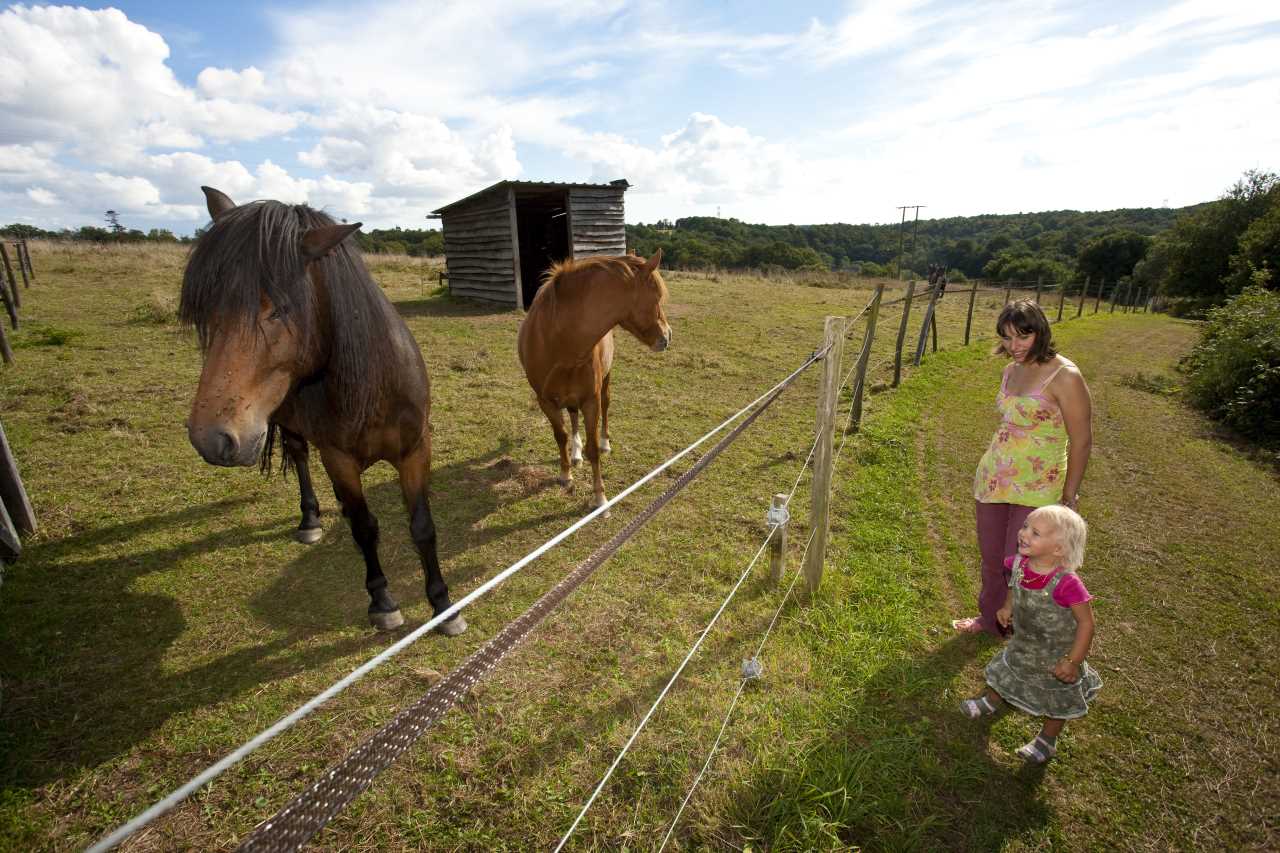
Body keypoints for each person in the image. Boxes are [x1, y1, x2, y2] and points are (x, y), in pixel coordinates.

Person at [953, 299, 1092, 637]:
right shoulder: (1010, 370)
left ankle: (1022, 628)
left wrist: (1069, 494)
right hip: (994, 478)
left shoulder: (1066, 376)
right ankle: (990, 619)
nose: (1013, 347)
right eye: (1006, 338)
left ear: (1040, 332)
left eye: (1021, 337)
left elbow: (1082, 440)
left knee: (1021, 562)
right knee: (991, 559)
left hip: (1039, 485)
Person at [959, 505, 1102, 763]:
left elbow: (1086, 624)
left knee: (1057, 698)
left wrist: (1072, 661)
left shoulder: (1068, 584)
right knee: (1007, 672)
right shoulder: (1019, 564)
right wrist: (1007, 607)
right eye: (1025, 526)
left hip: (1057, 654)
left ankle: (1047, 740)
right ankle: (990, 702)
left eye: (1035, 533)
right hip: (1024, 642)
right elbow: (1014, 585)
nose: (1023, 534)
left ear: (1058, 549)